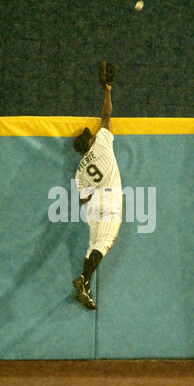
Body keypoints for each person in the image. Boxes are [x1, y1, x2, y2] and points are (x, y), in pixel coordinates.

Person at [72, 84, 122, 310]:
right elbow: (106, 115)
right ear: (90, 141)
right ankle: (83, 278)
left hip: (92, 205)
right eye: (88, 136)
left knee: (92, 245)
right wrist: (108, 90)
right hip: (110, 201)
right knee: (103, 244)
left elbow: (83, 199)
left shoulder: (79, 171)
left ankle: (86, 287)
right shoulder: (101, 141)